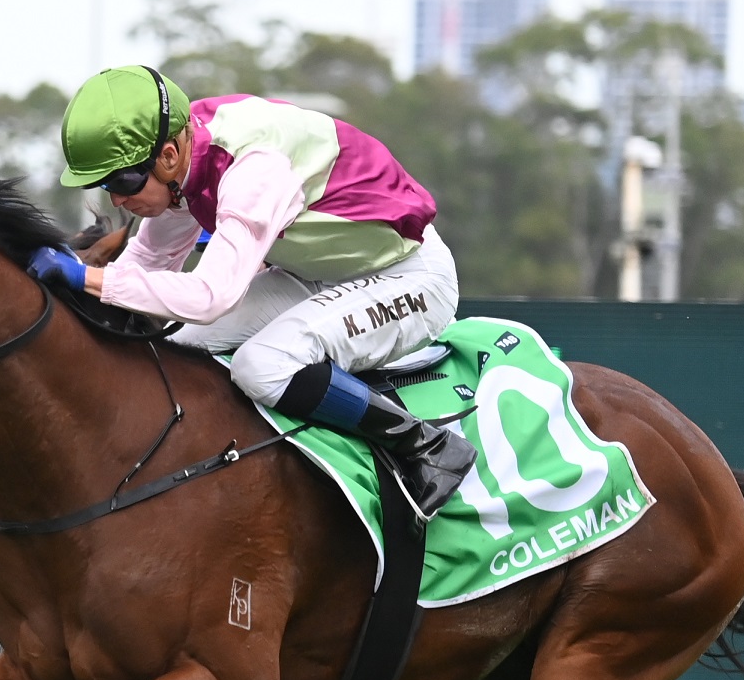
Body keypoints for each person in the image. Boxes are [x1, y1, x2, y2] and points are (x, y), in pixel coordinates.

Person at [28, 66, 478, 518]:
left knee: (261, 366)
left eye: (122, 182)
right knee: (174, 348)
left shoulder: (254, 168)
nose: (116, 200)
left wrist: (85, 277)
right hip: (313, 272)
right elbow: (145, 265)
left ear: (168, 155)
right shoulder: (183, 157)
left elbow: (211, 297)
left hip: (408, 276)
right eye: (103, 185)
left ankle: (426, 445)